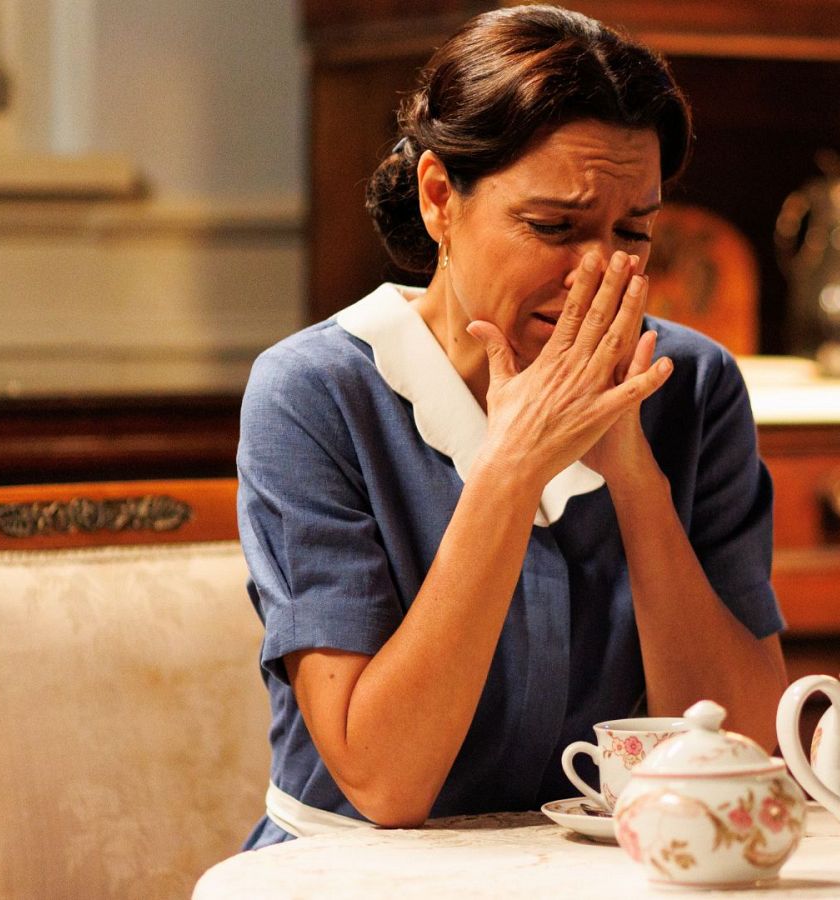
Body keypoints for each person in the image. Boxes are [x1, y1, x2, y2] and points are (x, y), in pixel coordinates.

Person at [237, 4, 787, 848]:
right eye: (553, 228)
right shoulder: (315, 393)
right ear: (438, 200)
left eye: (632, 231)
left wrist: (634, 474)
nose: (600, 269)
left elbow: (742, 747)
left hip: (607, 866)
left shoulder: (693, 384)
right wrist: (508, 471)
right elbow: (384, 780)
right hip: (359, 871)